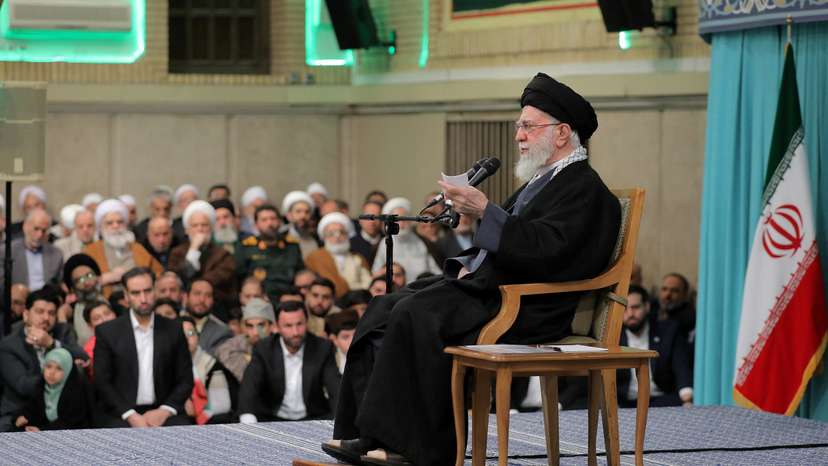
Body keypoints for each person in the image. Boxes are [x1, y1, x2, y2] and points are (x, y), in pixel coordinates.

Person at [323, 73, 621, 465]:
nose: (519, 136)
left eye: (528, 127)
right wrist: (468, 264)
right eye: (520, 127)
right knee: (384, 307)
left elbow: (550, 251)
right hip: (495, 290)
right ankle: (367, 432)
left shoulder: (586, 190)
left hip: (532, 307)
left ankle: (417, 448)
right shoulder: (544, 181)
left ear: (563, 133)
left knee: (416, 314)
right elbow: (515, 240)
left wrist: (484, 211)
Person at [93, 267, 193, 428]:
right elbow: (102, 381)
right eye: (135, 293)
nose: (143, 298)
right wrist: (130, 415)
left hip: (164, 412)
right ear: (126, 296)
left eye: (147, 291)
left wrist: (164, 411)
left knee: (184, 436)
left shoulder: (174, 330)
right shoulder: (108, 332)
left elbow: (185, 379)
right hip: (121, 414)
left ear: (155, 291)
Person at [0, 289, 88, 431]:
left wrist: (51, 344)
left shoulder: (62, 332)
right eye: (40, 312)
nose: (46, 318)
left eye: (51, 313)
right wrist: (63, 373)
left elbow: (84, 358)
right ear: (26, 314)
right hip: (21, 411)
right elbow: (23, 386)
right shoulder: (10, 345)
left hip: (62, 411)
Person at [238, 301, 340, 422]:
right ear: (277, 327)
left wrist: (339, 422)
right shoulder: (264, 349)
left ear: (307, 323)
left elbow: (336, 389)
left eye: (299, 324)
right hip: (272, 419)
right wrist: (249, 420)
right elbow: (250, 387)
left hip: (313, 418)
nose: (295, 332)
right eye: (288, 326)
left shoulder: (322, 348)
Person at [618, 285, 693, 407]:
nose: (630, 313)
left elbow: (681, 367)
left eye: (635, 307)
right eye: (624, 309)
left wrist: (687, 398)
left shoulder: (668, 331)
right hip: (624, 403)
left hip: (662, 400)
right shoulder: (613, 338)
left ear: (647, 307)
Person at [169, 200, 237, 320]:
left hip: (216, 311)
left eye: (204, 225)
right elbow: (178, 278)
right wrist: (193, 250)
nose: (200, 229)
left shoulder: (223, 254)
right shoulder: (177, 253)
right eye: (194, 225)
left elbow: (210, 283)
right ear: (187, 230)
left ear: (211, 228)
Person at [84, 199, 163, 298]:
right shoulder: (91, 251)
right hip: (105, 304)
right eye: (110, 223)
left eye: (120, 222)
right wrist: (104, 278)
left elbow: (159, 274)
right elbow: (81, 281)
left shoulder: (137, 248)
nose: (116, 226)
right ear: (101, 226)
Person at [235, 205, 304, 302]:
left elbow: (300, 275)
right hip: (258, 300)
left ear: (280, 222)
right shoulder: (246, 247)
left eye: (273, 219)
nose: (270, 223)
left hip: (289, 299)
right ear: (256, 225)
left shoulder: (292, 246)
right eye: (264, 220)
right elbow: (239, 278)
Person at [14, 348, 93, 431]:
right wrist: (21, 418)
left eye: (59, 368)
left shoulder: (77, 391)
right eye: (48, 367)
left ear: (67, 370)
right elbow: (31, 410)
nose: (52, 372)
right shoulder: (41, 386)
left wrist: (42, 430)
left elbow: (71, 423)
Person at [181, 316, 237, 425]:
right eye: (182, 335)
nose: (186, 339)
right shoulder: (167, 363)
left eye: (191, 334)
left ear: (198, 337)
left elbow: (222, 406)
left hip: (210, 419)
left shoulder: (212, 366)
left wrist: (197, 410)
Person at [371, 198, 441, 285]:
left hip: (419, 289)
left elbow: (436, 271)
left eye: (404, 218)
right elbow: (376, 273)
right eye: (398, 220)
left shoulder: (420, 242)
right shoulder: (384, 243)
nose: (402, 224)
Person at [305, 213, 372, 298]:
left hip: (357, 300)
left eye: (341, 232)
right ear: (324, 236)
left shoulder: (358, 258)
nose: (337, 237)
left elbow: (368, 283)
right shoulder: (315, 257)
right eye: (331, 233)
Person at [0, 209, 63, 295]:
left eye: (44, 231)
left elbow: (57, 284)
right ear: (25, 226)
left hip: (46, 300)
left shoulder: (56, 254)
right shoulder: (7, 251)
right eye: (36, 229)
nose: (39, 235)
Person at [215, 298, 276, 383]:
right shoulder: (235, 344)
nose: (255, 332)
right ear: (244, 328)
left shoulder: (282, 346)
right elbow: (222, 352)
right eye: (250, 326)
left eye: (261, 325)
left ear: (272, 326)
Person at [62, 253, 105, 345]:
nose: (86, 283)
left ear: (98, 278)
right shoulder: (70, 312)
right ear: (73, 288)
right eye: (79, 280)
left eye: (89, 276)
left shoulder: (115, 304)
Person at [183, 279, 233, 356]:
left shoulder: (222, 332)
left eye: (208, 295)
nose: (202, 300)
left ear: (213, 301)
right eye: (197, 293)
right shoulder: (171, 324)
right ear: (186, 297)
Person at [81, 300, 117, 379]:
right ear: (90, 325)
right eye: (97, 318)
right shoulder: (90, 349)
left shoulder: (129, 332)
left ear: (115, 314)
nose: (105, 320)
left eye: (107, 314)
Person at [282, 191, 320, 259]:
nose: (303, 216)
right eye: (298, 211)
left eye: (307, 212)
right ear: (289, 215)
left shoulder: (316, 239)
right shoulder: (280, 237)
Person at [325, 309, 359, 374]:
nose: (353, 341)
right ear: (334, 339)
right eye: (346, 337)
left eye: (356, 335)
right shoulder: (327, 362)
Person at [350, 201, 383, 266]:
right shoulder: (351, 245)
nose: (372, 222)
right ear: (360, 220)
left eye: (376, 217)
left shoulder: (387, 241)